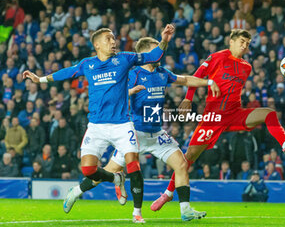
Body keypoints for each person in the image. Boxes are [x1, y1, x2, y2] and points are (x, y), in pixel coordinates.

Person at [23, 25, 175, 223]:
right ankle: (115, 179)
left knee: (133, 164)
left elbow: (153, 56)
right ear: (97, 45)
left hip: (122, 124)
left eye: (113, 38)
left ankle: (137, 213)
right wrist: (40, 79)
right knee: (88, 170)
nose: (113, 41)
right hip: (96, 126)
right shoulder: (88, 64)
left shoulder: (125, 59)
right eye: (108, 39)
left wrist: (164, 40)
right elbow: (66, 72)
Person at [63, 37, 219, 222]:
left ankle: (185, 210)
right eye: (156, 50)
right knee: (106, 173)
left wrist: (208, 83)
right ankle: (76, 191)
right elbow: (115, 92)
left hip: (157, 134)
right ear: (146, 54)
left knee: (182, 164)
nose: (160, 54)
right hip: (134, 133)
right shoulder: (132, 73)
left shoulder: (162, 72)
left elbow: (185, 79)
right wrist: (130, 92)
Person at [152, 29, 285, 210]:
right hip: (214, 117)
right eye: (242, 41)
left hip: (234, 114)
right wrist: (188, 98)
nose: (244, 46)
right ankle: (168, 194)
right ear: (231, 41)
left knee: (269, 113)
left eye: (248, 43)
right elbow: (196, 76)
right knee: (189, 157)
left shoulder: (246, 67)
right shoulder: (217, 57)